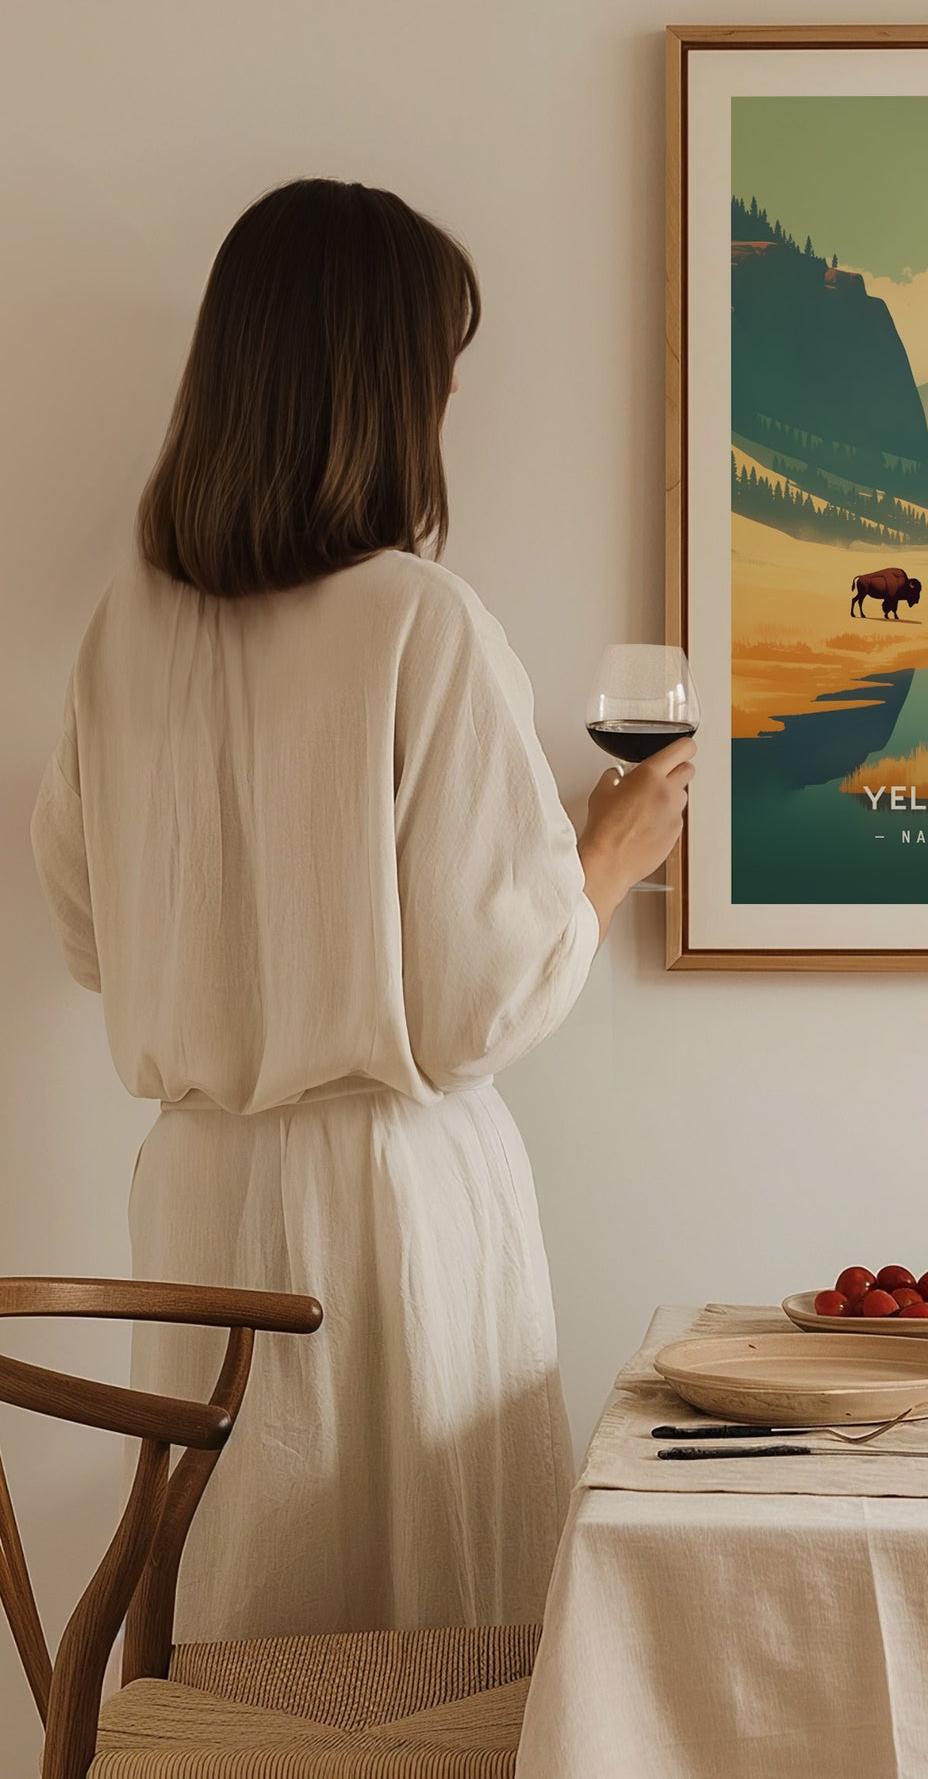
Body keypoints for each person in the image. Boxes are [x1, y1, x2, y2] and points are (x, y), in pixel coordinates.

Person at [29, 178, 689, 1639]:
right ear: (387, 390)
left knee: (240, 1626)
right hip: (390, 1208)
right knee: (422, 1647)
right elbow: (474, 1006)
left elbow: (87, 934)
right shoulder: (417, 619)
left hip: (198, 1196)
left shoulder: (122, 632)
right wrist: (607, 851)